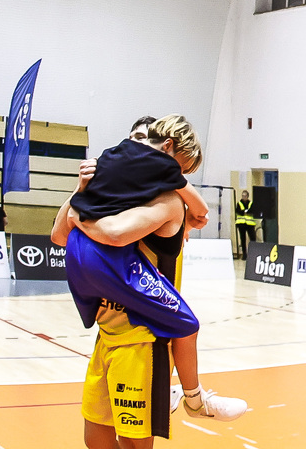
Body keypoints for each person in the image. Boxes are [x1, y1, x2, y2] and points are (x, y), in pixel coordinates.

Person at [54, 114, 246, 448]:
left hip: (143, 340)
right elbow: (58, 235)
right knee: (95, 440)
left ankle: (193, 397)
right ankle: (187, 394)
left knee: (134, 443)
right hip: (107, 333)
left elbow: (118, 233)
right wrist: (79, 192)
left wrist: (80, 216)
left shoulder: (168, 201)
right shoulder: (113, 197)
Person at [234, 191, 257, 260]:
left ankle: (253, 254)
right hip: (241, 224)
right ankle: (244, 254)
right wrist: (245, 212)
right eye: (243, 196)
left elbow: (252, 211)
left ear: (247, 196)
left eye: (245, 196)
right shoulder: (239, 203)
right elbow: (238, 212)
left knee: (253, 239)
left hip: (250, 224)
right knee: (243, 239)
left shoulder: (251, 203)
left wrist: (245, 212)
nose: (244, 197)